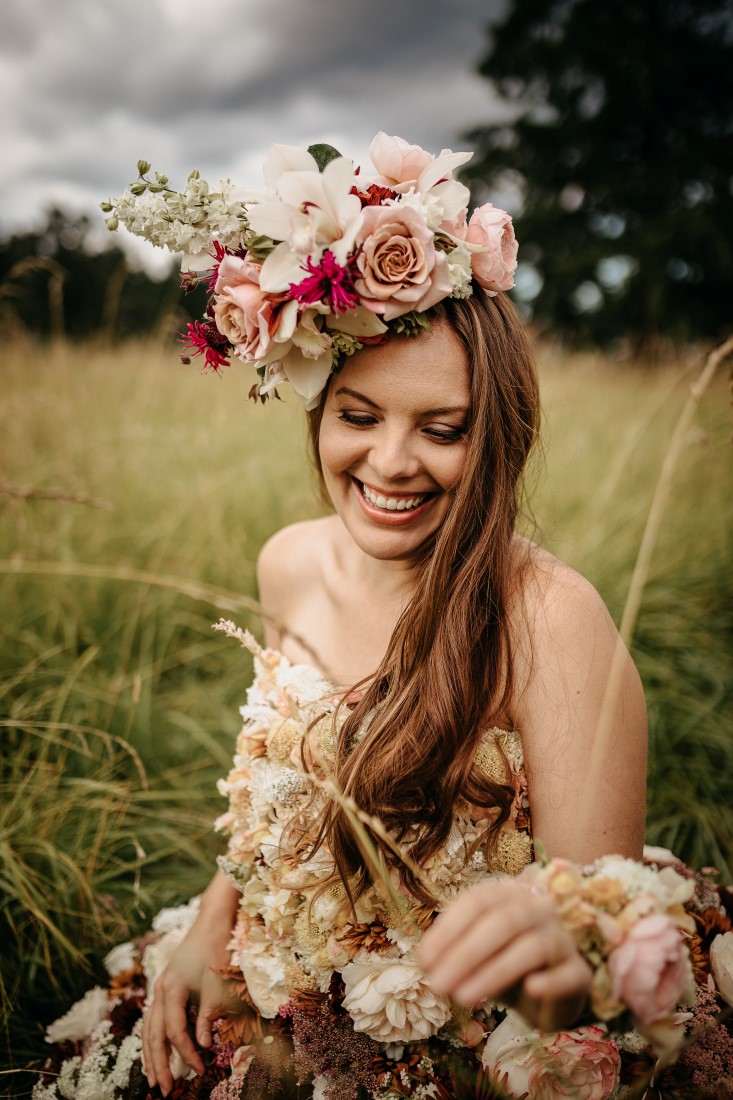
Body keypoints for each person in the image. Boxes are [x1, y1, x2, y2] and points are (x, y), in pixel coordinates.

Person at [36, 134, 701, 1100]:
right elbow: (282, 790)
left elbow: (592, 932)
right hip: (286, 960)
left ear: (498, 440)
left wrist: (554, 963)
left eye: (442, 430)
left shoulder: (550, 617)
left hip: (458, 1022)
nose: (390, 464)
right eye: (358, 416)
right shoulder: (287, 561)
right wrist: (213, 918)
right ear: (316, 409)